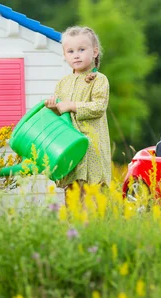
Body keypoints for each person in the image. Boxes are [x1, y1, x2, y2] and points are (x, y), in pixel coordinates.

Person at [45, 26, 112, 195]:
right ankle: (73, 222)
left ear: (94, 52)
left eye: (82, 49)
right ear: (64, 55)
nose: (76, 55)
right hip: (70, 147)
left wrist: (72, 105)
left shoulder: (99, 80)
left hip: (92, 148)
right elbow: (61, 116)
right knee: (73, 192)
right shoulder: (63, 83)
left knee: (93, 193)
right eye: (70, 51)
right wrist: (54, 110)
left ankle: (97, 222)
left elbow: (99, 107)